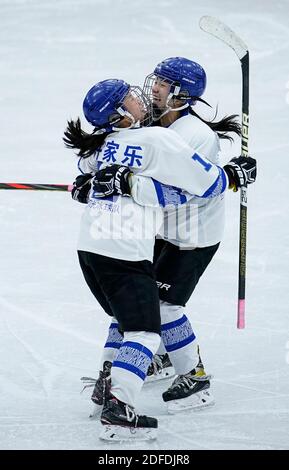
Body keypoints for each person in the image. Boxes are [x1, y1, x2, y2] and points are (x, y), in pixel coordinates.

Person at [64, 78, 256, 441]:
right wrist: (233, 176)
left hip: (98, 250)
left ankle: (114, 380)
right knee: (145, 330)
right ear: (120, 115)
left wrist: (100, 184)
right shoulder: (156, 137)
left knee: (140, 316)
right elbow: (205, 185)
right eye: (130, 98)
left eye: (156, 86)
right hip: (126, 252)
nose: (142, 95)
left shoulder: (110, 141)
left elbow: (90, 166)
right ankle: (122, 405)